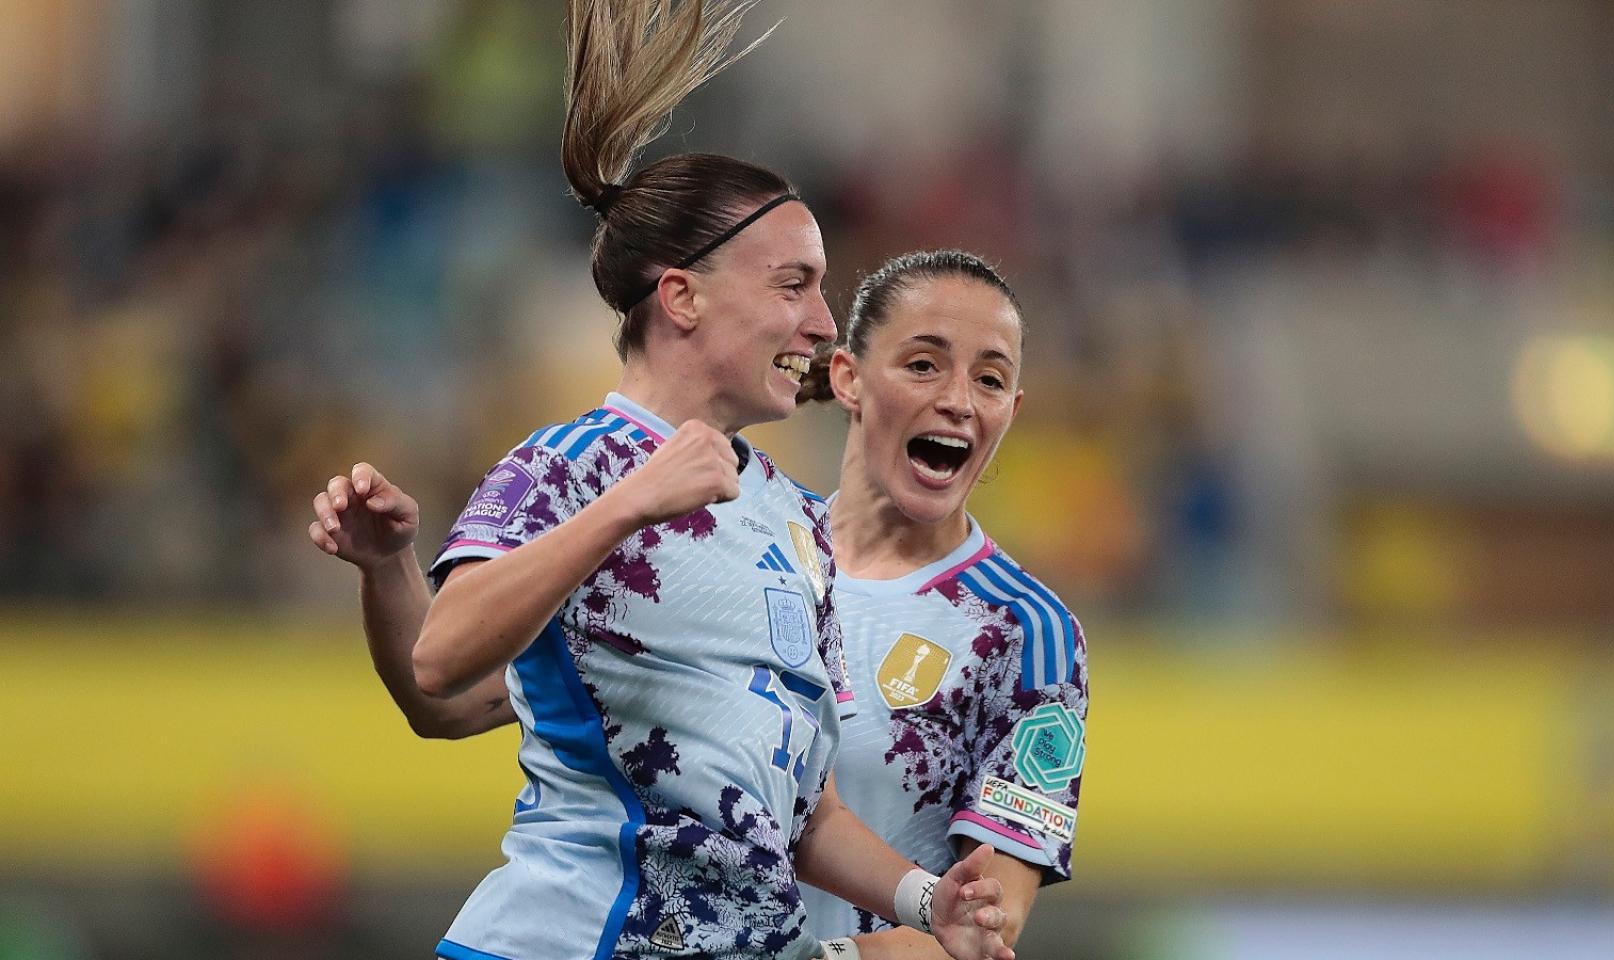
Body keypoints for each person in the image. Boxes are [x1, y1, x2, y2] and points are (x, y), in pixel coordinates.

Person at [300, 2, 1013, 959]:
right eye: (792, 284)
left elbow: (798, 813)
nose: (821, 322)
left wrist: (929, 902)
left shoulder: (798, 521)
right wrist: (409, 565)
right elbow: (439, 674)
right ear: (682, 296)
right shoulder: (573, 465)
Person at [313, 252, 1089, 959]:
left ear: (1012, 410)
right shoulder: (730, 545)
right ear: (848, 377)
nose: (958, 401)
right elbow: (450, 700)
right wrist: (387, 573)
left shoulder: (1024, 635)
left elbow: (986, 925)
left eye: (989, 380)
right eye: (923, 365)